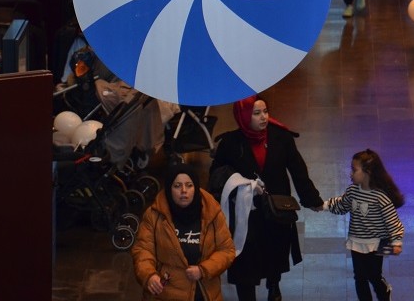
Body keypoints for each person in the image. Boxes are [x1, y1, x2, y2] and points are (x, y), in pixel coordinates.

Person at [210, 96, 324, 301]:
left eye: (265, 111)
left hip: (275, 211)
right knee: (244, 262)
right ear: (243, 116)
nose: (264, 117)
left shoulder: (281, 137)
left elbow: (298, 171)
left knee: (275, 253)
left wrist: (312, 199)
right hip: (246, 215)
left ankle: (274, 285)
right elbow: (216, 176)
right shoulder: (230, 143)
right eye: (256, 113)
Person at [132, 164, 236, 301]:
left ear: (196, 187)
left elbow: (227, 250)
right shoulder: (154, 215)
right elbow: (143, 250)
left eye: (189, 185)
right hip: (166, 292)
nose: (183, 190)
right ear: (169, 189)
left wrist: (203, 270)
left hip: (205, 293)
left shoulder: (213, 213)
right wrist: (149, 275)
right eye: (177, 186)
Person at [324, 149, 406, 301]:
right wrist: (324, 205)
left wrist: (396, 241)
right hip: (357, 241)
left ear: (367, 172)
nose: (350, 174)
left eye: (354, 170)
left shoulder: (380, 197)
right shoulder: (353, 191)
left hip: (377, 243)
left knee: (373, 275)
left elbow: (392, 221)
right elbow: (342, 205)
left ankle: (383, 291)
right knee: (359, 277)